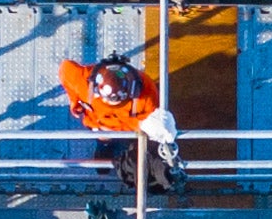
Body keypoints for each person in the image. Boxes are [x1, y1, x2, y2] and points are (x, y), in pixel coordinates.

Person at [62, 52, 182, 191]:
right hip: (100, 125)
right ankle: (104, 149)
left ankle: (127, 150)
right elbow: (65, 69)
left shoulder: (146, 95)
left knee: (138, 145)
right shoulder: (83, 80)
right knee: (103, 140)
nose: (115, 103)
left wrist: (136, 126)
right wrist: (74, 100)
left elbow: (148, 119)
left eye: (119, 101)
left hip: (129, 126)